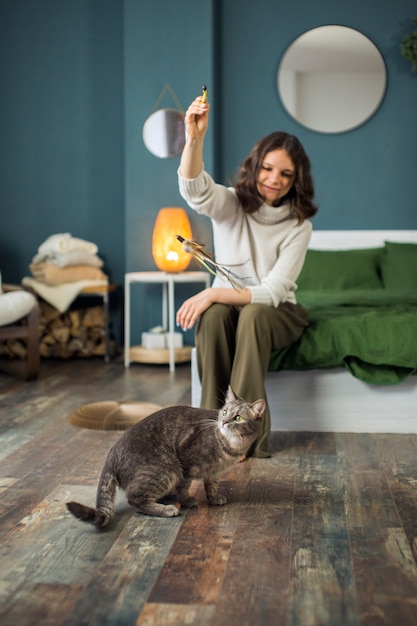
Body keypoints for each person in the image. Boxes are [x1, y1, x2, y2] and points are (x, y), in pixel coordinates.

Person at [176, 94, 317, 457]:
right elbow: (195, 189)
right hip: (234, 306)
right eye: (268, 168)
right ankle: (205, 434)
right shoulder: (230, 203)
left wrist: (210, 293)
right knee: (215, 315)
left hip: (277, 312)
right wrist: (194, 138)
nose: (275, 180)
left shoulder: (299, 226)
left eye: (286, 174)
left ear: (296, 180)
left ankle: (251, 441)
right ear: (255, 166)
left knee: (248, 313)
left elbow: (271, 292)